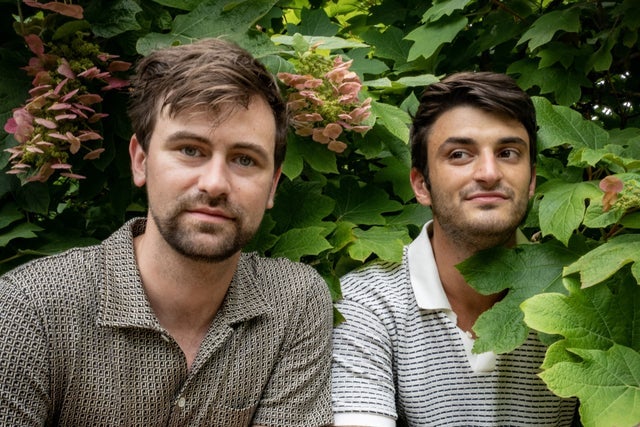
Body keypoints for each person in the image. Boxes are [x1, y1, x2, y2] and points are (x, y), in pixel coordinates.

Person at [0, 38, 333, 427]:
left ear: (273, 185)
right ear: (140, 161)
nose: (214, 183)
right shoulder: (32, 308)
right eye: (190, 150)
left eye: (244, 159)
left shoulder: (294, 302)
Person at [331, 72, 577, 426]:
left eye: (508, 153)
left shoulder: (579, 293)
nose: (489, 173)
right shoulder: (368, 304)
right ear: (421, 184)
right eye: (460, 154)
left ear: (532, 180)